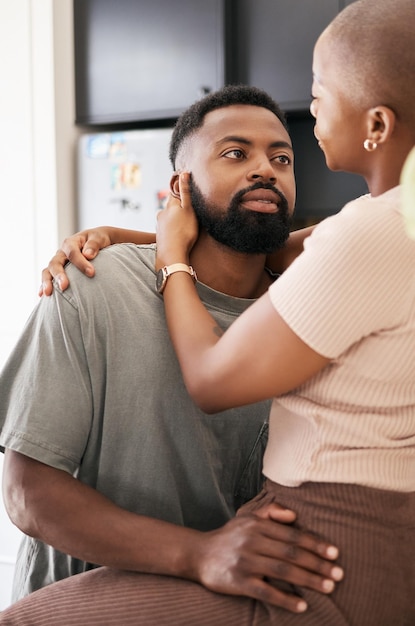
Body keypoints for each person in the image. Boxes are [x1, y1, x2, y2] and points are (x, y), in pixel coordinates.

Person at [1, 0, 413, 624]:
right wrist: (199, 553)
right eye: (234, 154)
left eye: (281, 158)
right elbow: (26, 494)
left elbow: (336, 238)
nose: (264, 170)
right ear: (177, 190)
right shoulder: (90, 286)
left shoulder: (316, 285)